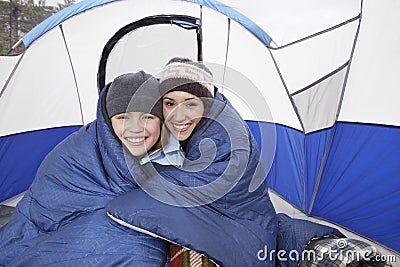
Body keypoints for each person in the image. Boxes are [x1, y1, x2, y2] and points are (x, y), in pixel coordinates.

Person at [106, 58, 279, 266]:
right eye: (169, 103)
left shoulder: (224, 135)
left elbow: (195, 183)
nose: (178, 116)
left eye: (191, 104)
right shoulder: (191, 130)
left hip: (243, 223)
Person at [0, 71, 171, 265]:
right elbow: (46, 213)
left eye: (147, 117)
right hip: (38, 234)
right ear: (107, 120)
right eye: (123, 117)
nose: (135, 128)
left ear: (161, 121)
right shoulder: (79, 152)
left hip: (85, 228)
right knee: (141, 250)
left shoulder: (169, 150)